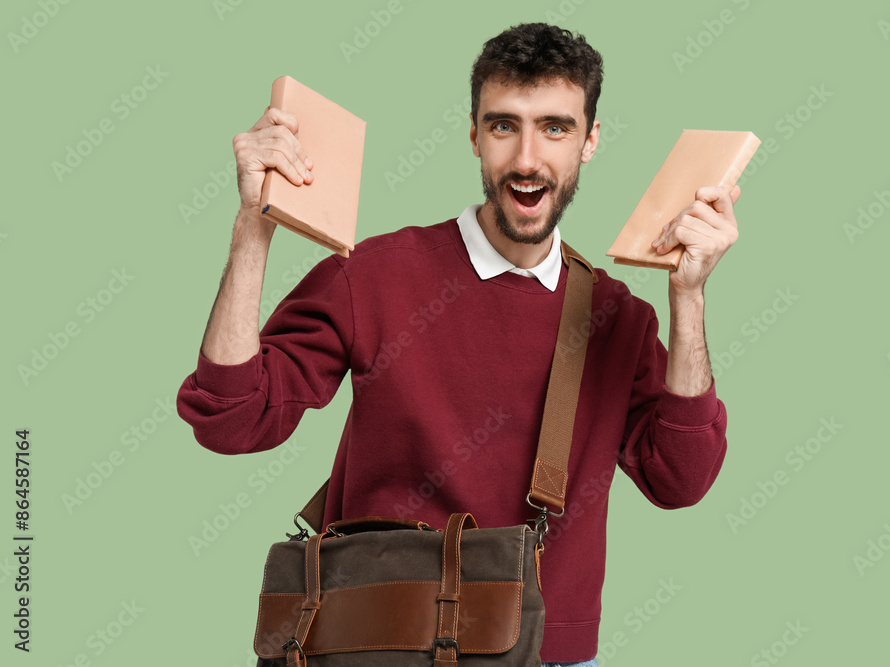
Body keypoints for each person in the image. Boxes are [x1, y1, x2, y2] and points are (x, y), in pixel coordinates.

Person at [176, 22, 740, 666]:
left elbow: (682, 478)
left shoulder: (619, 317)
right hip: (379, 640)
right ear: (474, 135)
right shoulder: (375, 274)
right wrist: (254, 225)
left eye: (555, 127)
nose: (528, 158)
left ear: (590, 141)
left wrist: (688, 297)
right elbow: (232, 419)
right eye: (504, 126)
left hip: (545, 654)